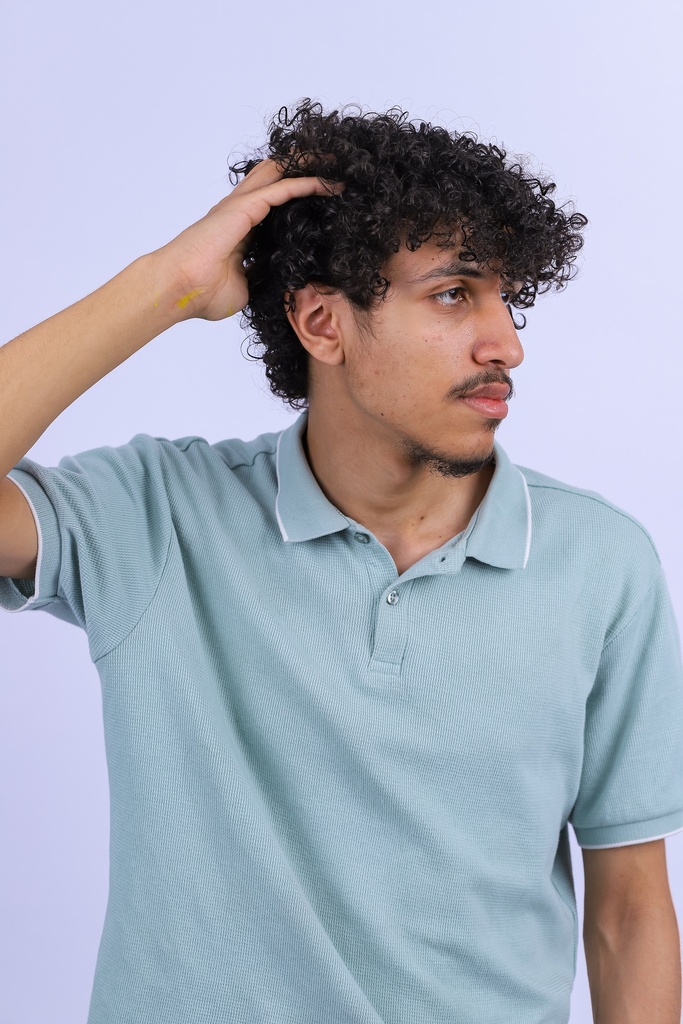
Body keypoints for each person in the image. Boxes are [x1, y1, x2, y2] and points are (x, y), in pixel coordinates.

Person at [1, 99, 681, 1024]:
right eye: (454, 294)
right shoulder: (158, 517)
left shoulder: (600, 563)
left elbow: (631, 909)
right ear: (322, 323)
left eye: (507, 299)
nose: (506, 345)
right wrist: (170, 283)